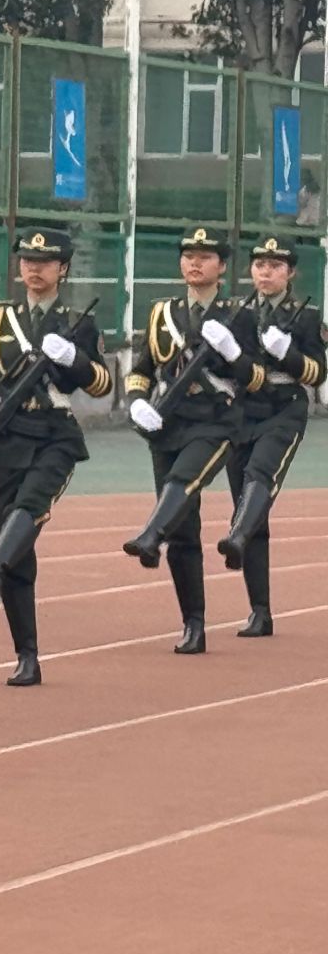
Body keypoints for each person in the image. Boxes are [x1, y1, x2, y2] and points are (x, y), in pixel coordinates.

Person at [0, 226, 112, 685]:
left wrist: (73, 360)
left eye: (44, 263)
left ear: (62, 269)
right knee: (13, 546)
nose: (34, 269)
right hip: (6, 437)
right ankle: (26, 653)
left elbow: (102, 384)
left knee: (27, 511)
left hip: (54, 435)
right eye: (27, 261)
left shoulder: (78, 321)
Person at [120, 227, 260, 656]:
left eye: (204, 256)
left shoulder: (239, 314)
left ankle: (150, 533)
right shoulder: (162, 312)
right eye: (188, 256)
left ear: (222, 265)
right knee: (183, 528)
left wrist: (233, 353)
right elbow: (143, 368)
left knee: (182, 479)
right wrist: (136, 401)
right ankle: (193, 623)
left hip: (216, 422)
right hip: (168, 422)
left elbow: (255, 379)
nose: (194, 263)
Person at [219, 235, 324, 637]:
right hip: (243, 409)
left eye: (276, 266)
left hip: (283, 407)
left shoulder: (306, 316)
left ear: (290, 272)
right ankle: (259, 611)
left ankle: (237, 534)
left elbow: (317, 373)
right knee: (248, 506)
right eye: (260, 265)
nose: (266, 272)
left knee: (260, 475)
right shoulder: (237, 311)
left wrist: (288, 354)